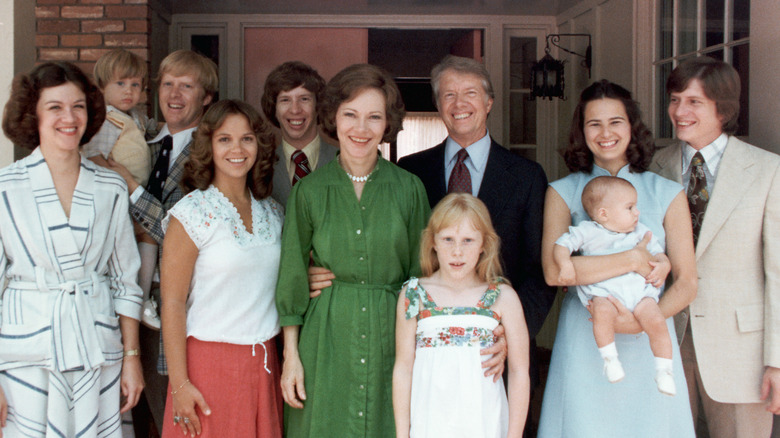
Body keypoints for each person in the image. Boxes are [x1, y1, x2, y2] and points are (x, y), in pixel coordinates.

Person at [275, 63, 430, 438]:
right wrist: (291, 357)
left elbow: (423, 278)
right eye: (350, 115)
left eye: (373, 117)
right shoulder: (309, 191)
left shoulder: (409, 189)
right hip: (325, 338)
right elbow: (293, 276)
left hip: (394, 336)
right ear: (333, 117)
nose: (361, 129)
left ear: (387, 123)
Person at [537, 79, 698, 437]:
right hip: (586, 336)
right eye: (594, 123)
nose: (605, 132)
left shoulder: (668, 192)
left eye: (616, 122)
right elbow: (554, 271)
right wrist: (633, 260)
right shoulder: (563, 191)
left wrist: (641, 322)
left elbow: (686, 282)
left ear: (632, 127)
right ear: (582, 131)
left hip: (651, 340)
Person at [0, 61, 144, 437]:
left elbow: (125, 281)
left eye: (78, 105)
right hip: (24, 354)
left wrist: (132, 359)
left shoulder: (110, 186)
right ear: (32, 113)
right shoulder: (5, 188)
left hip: (96, 347)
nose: (69, 117)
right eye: (55, 107)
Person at [395, 55, 552, 382]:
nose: (459, 103)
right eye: (448, 95)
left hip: (499, 354)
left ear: (489, 102)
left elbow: (539, 270)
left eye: (470, 93)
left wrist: (511, 335)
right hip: (428, 349)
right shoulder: (410, 173)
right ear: (438, 105)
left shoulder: (527, 176)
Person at [650, 57, 780, 438]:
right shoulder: (657, 165)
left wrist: (778, 361)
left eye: (694, 102)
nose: (679, 111)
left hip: (742, 353)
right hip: (667, 340)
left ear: (722, 109)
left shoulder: (768, 170)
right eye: (675, 99)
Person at [105, 49, 218, 433]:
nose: (174, 94)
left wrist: (131, 186)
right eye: (168, 84)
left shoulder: (212, 153)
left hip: (177, 309)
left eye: (186, 86)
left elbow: (183, 235)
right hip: (121, 305)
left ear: (206, 97)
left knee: (175, 418)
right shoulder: (141, 141)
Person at [159, 100, 282, 437]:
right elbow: (171, 304)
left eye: (247, 138)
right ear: (208, 146)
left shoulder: (273, 212)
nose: (237, 149)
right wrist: (180, 383)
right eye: (224, 139)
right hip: (207, 368)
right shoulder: (191, 214)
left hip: (264, 363)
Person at [393, 193, 530, 438]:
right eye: (448, 239)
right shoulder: (414, 294)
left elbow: (520, 370)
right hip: (429, 422)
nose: (457, 251)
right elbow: (403, 368)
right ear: (432, 241)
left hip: (483, 422)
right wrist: (403, 434)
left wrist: (514, 434)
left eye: (468, 240)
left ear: (484, 245)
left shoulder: (502, 296)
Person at [553, 176, 675, 394]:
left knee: (656, 321)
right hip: (605, 292)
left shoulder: (640, 232)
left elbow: (659, 254)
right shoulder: (587, 231)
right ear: (603, 214)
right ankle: (610, 359)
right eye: (630, 207)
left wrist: (664, 265)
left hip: (640, 293)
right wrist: (565, 264)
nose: (637, 212)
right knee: (601, 313)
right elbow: (562, 245)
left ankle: (664, 369)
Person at [83, 48, 160, 330]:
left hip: (136, 191)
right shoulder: (106, 120)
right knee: (139, 239)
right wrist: (116, 181)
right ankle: (138, 296)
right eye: (120, 83)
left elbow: (153, 129)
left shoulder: (134, 116)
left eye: (136, 85)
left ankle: (145, 290)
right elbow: (93, 155)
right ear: (102, 86)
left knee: (149, 237)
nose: (129, 90)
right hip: (119, 194)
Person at [260, 61, 338, 206]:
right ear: (274, 109)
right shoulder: (260, 167)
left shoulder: (344, 162)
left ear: (318, 106)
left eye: (304, 99)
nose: (295, 110)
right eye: (285, 100)